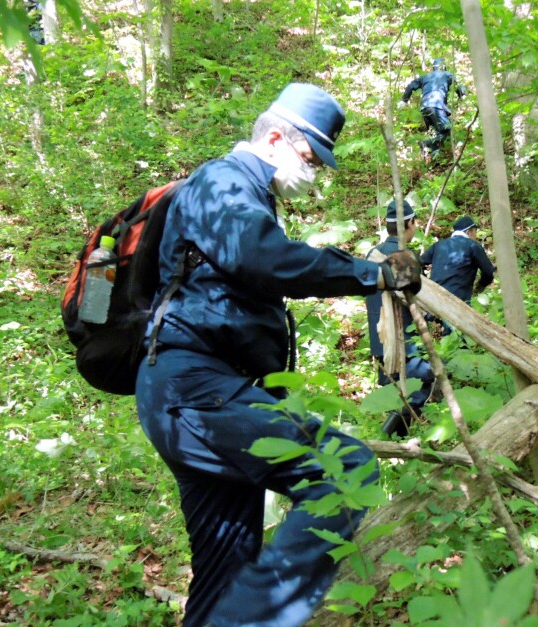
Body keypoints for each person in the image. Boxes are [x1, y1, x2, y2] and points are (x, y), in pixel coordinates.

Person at [135, 83, 422, 627]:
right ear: (273, 137)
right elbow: (263, 259)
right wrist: (373, 273)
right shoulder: (222, 182)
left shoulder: (243, 195)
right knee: (345, 472)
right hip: (195, 391)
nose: (312, 175)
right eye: (310, 159)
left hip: (193, 393)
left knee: (224, 569)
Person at [365, 199, 434, 438]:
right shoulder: (406, 257)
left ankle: (398, 446)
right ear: (409, 223)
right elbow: (420, 299)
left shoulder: (371, 254)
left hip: (380, 339)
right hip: (403, 339)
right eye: (415, 223)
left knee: (396, 393)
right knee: (425, 380)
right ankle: (388, 439)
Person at [420, 215, 495, 334]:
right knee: (457, 340)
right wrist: (480, 286)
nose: (475, 235)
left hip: (434, 297)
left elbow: (419, 263)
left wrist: (425, 283)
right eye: (475, 231)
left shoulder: (439, 245)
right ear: (469, 232)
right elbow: (488, 271)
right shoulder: (473, 246)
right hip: (458, 300)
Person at [399, 58, 467, 163]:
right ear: (443, 67)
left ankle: (435, 160)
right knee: (447, 130)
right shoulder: (447, 74)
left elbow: (411, 86)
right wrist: (462, 96)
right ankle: (426, 143)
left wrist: (404, 100)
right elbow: (459, 86)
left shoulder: (425, 77)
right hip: (437, 106)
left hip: (425, 108)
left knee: (439, 132)